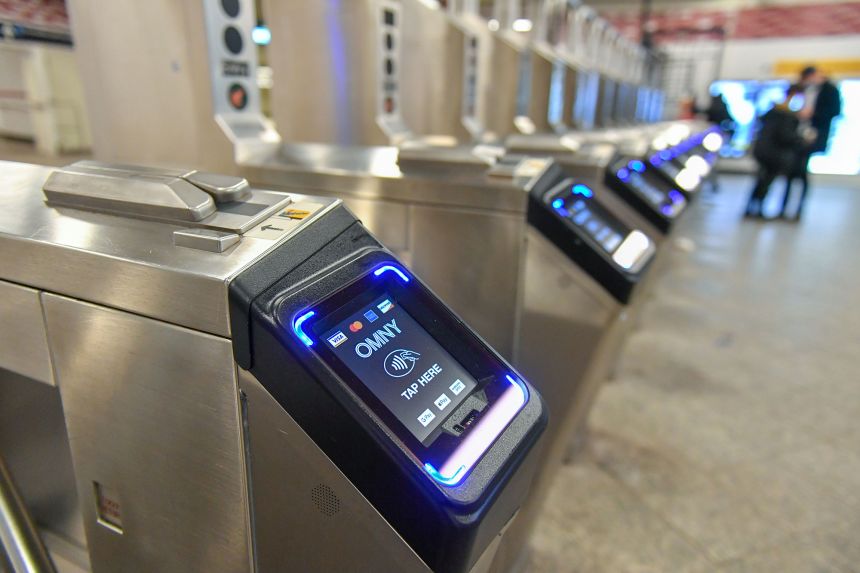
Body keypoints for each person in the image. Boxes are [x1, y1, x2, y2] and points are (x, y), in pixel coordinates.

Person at [779, 66, 842, 220]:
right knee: (790, 172)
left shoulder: (829, 90)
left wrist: (814, 114)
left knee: (802, 172)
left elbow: (835, 111)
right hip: (796, 135)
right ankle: (783, 208)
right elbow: (787, 101)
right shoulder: (801, 89)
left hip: (814, 135)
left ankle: (798, 210)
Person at [745, 84, 807, 219]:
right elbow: (785, 136)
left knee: (761, 180)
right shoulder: (786, 114)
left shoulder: (774, 110)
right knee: (766, 181)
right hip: (774, 153)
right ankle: (757, 209)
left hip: (763, 151)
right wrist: (802, 140)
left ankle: (751, 208)